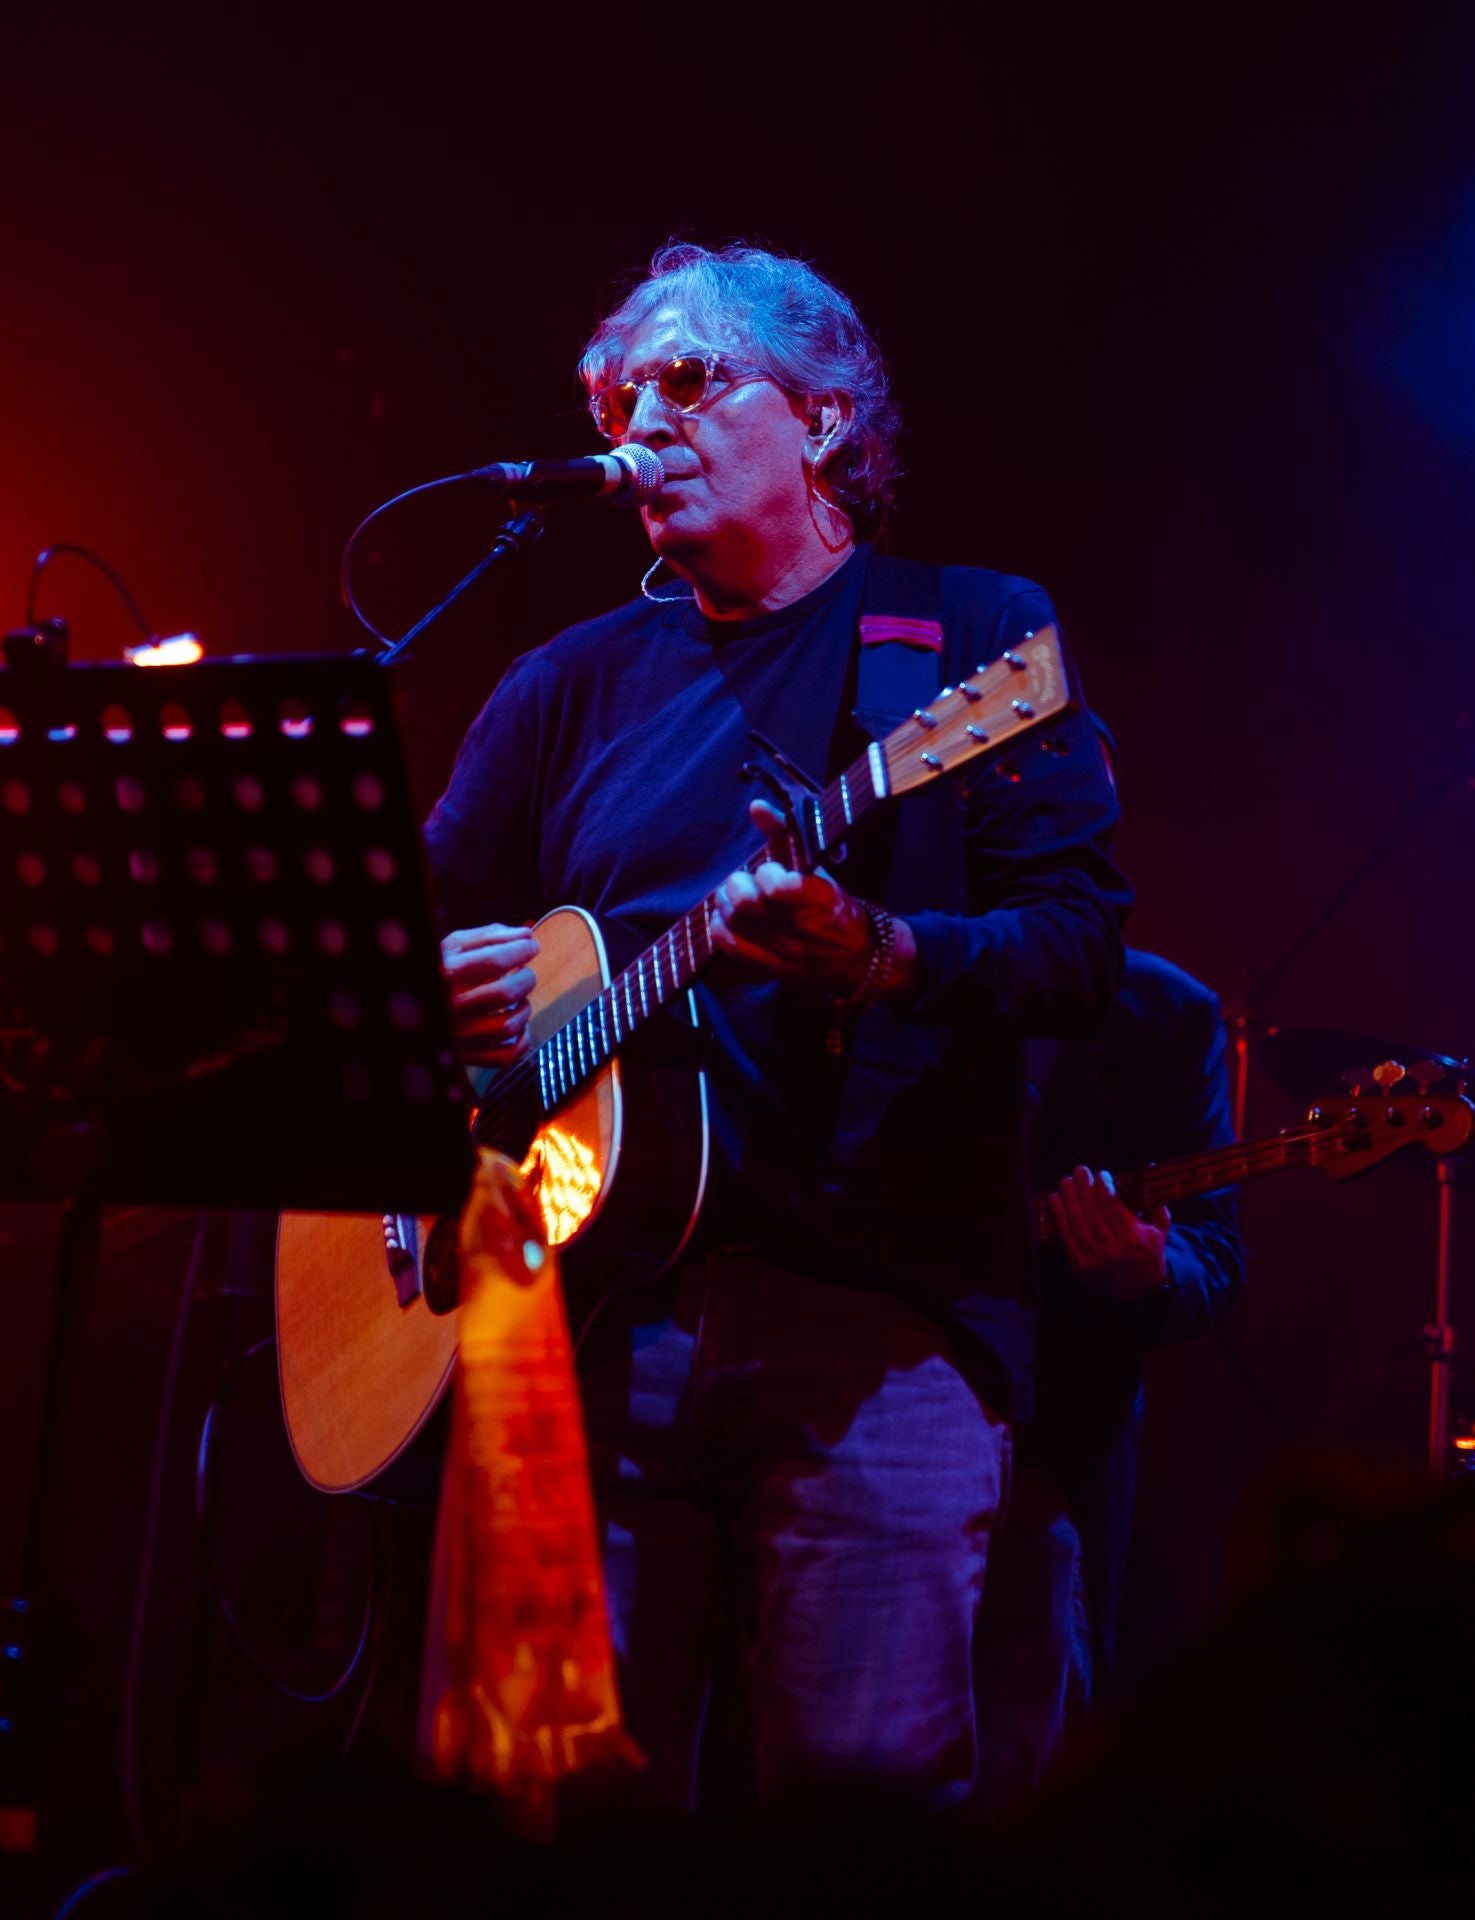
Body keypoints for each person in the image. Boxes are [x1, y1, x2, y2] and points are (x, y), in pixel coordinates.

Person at [422, 241, 1130, 1810]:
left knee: (849, 1824)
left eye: (687, 379)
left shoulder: (964, 648)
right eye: (617, 396)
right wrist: (453, 998)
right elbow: (392, 955)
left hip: (872, 1320)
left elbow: (1079, 953)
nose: (641, 421)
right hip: (588, 1327)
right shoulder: (563, 685)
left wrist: (879, 952)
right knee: (539, 1832)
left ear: (819, 422)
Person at [972, 944, 1246, 1814]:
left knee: (1019, 1762)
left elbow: (1215, 1252)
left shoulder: (1166, 1010)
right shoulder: (894, 962)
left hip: (1047, 1447)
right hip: (846, 1406)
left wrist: (1151, 1272)